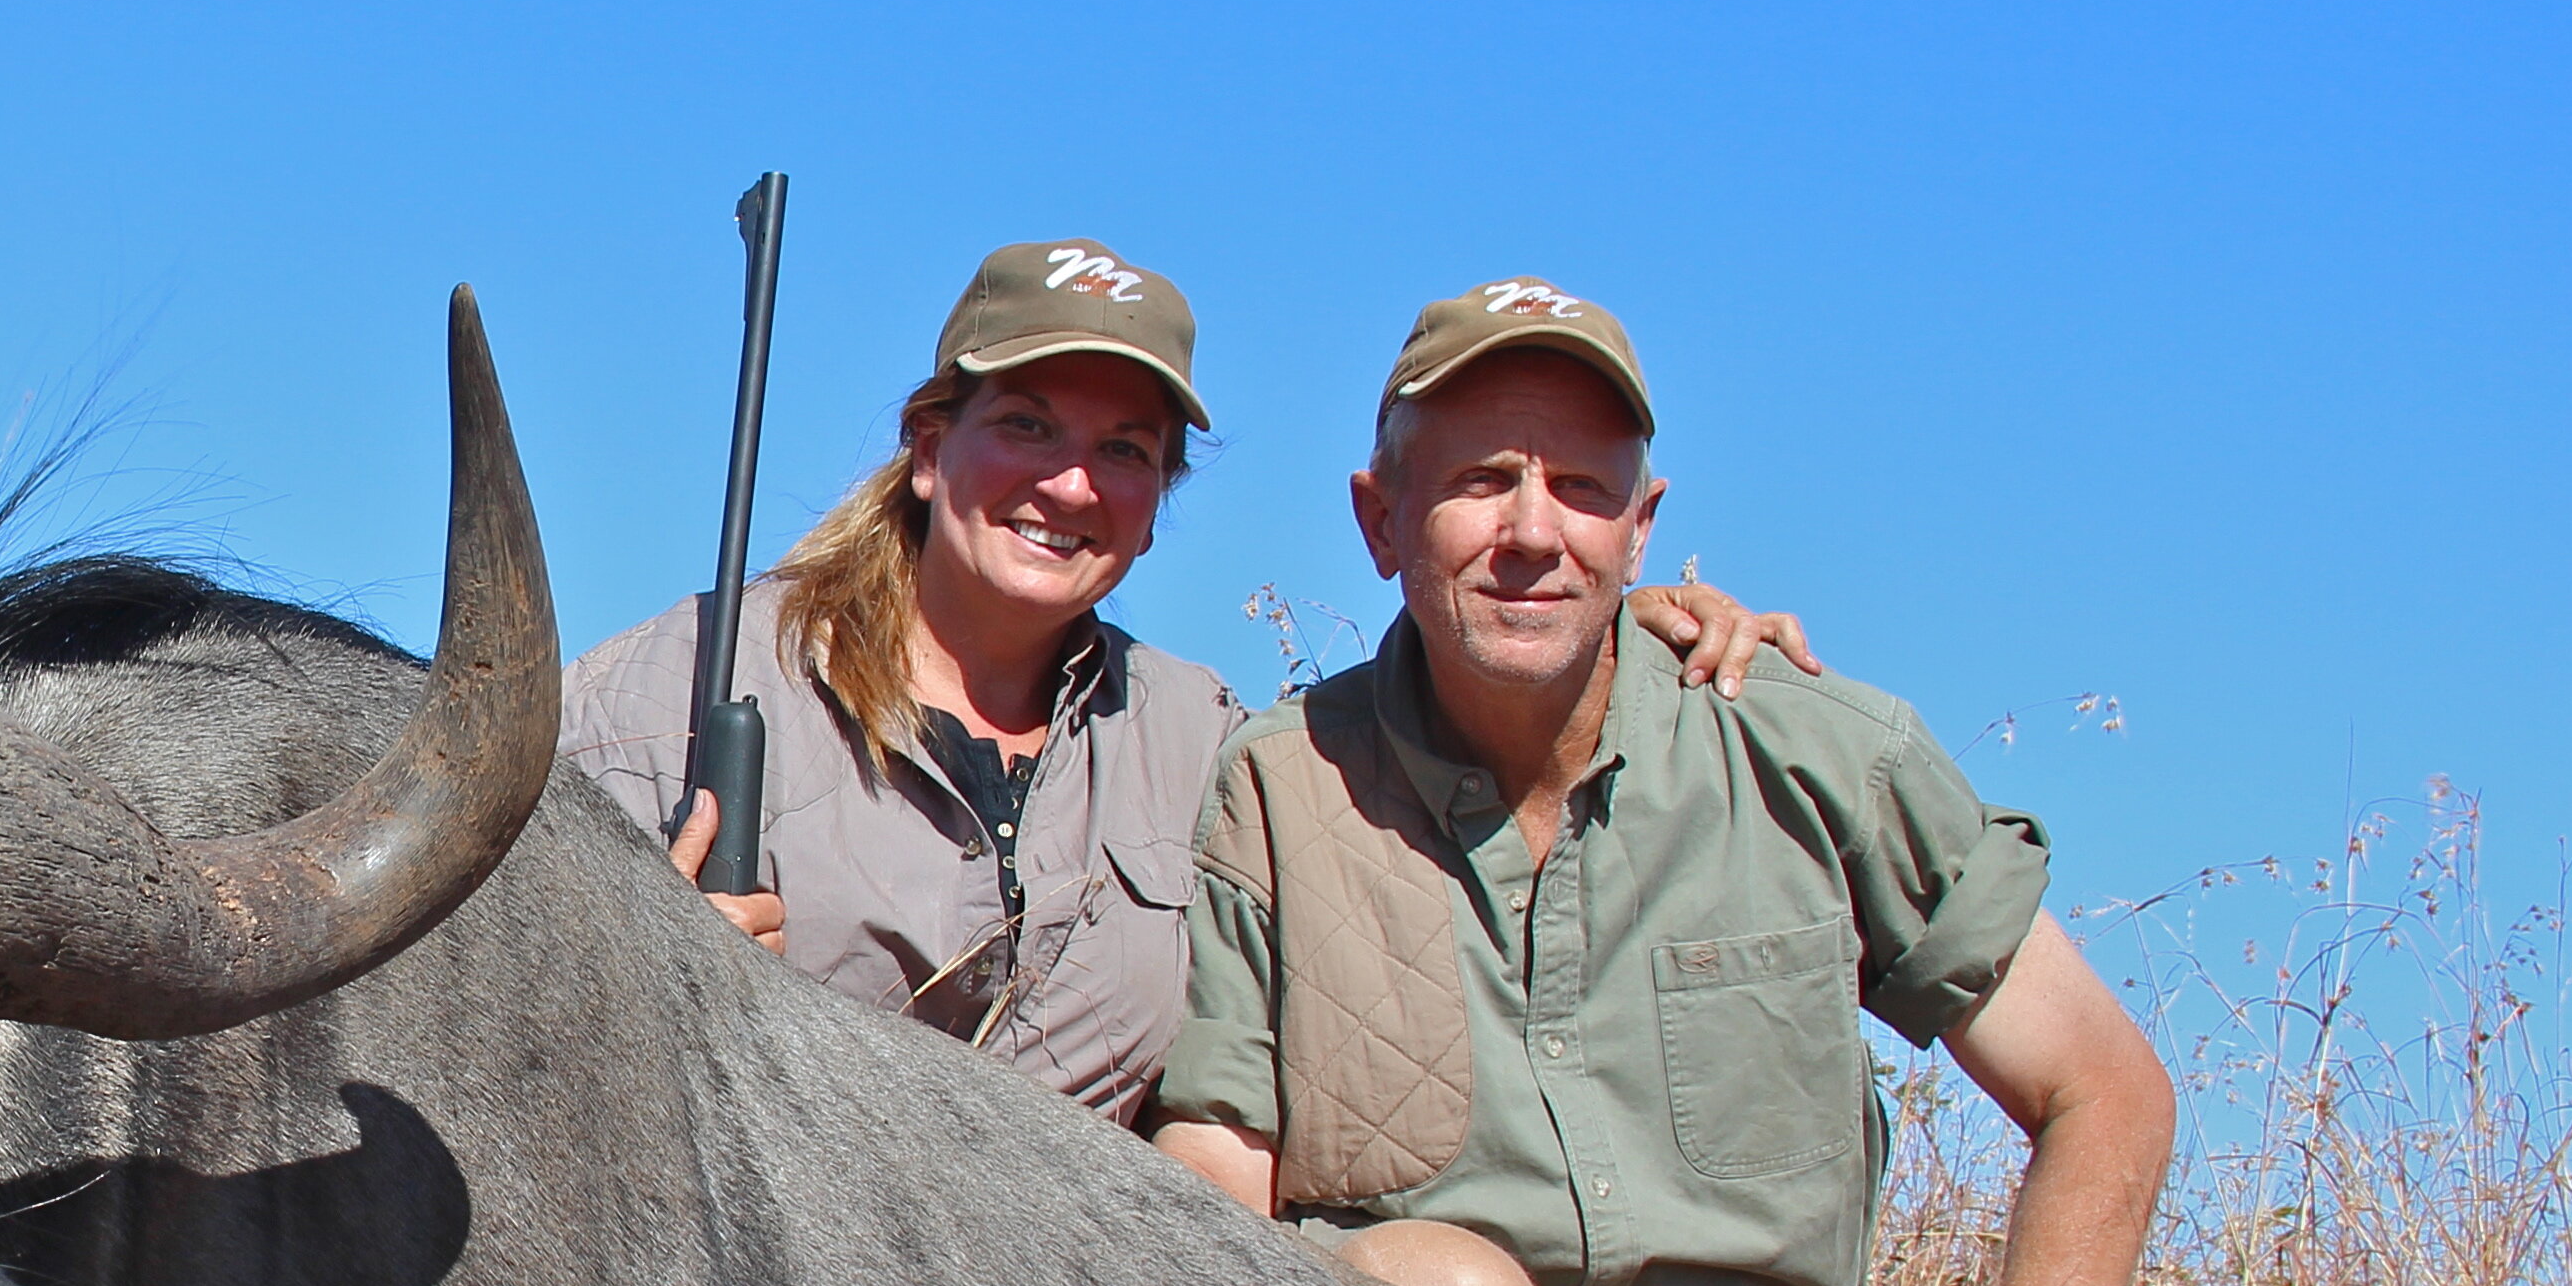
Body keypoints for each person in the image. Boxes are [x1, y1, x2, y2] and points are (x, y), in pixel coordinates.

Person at [1153, 277, 2175, 1286]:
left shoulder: (1809, 751)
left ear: (1642, 527)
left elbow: (2101, 1094)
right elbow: (1213, 1192)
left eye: (1575, 486)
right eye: (1477, 478)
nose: (1527, 530)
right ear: (1377, 517)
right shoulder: (1279, 784)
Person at [562, 239, 1802, 1126]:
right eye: (1030, 428)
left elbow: (1443, 743)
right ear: (931, 452)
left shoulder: (1206, 739)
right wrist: (620, 983)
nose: (1072, 485)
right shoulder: (674, 687)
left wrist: (1611, 631)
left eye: (1125, 453)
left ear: (1157, 512)